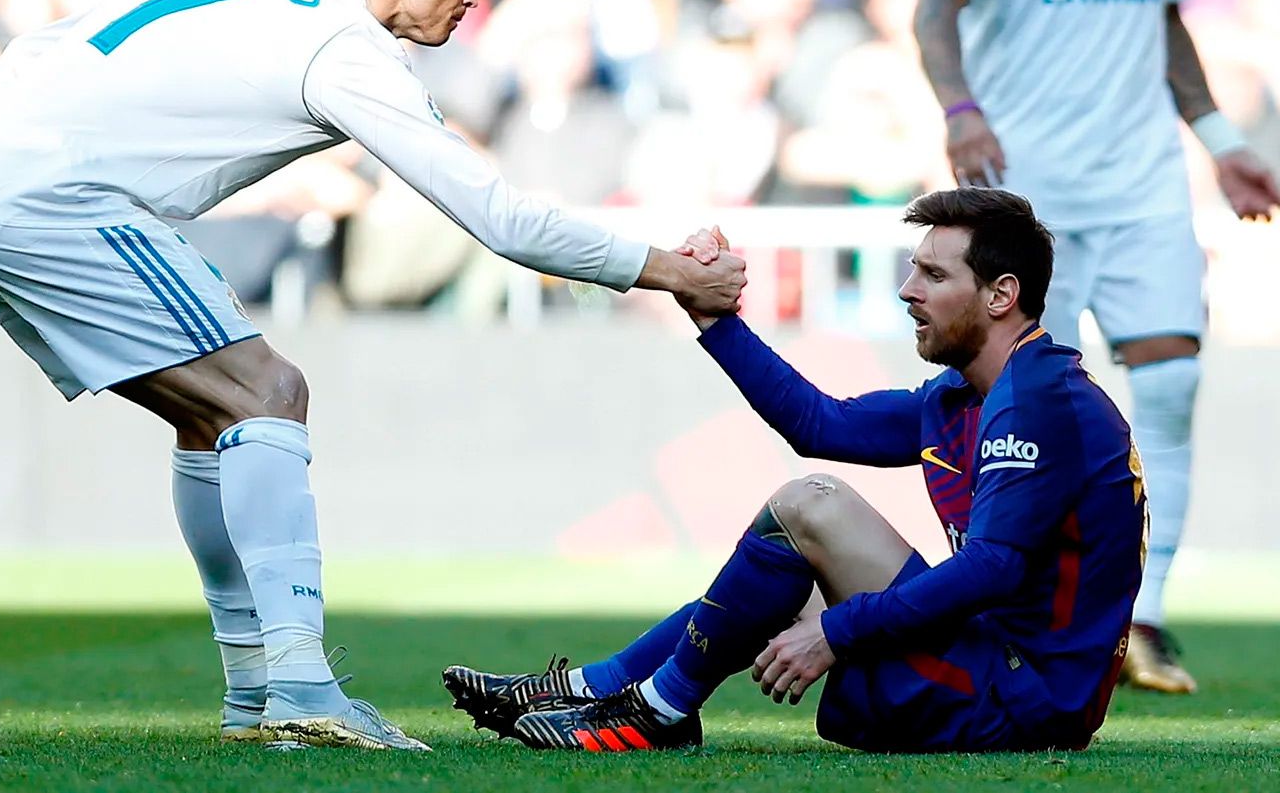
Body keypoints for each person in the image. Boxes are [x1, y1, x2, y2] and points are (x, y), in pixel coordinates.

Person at [0, 0, 745, 752]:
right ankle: (299, 684)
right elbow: (501, 219)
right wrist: (672, 272)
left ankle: (255, 690)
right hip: (58, 202)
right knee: (268, 392)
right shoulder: (345, 46)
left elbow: (37, 52)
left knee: (217, 419)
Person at [444, 188, 1146, 753]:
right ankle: (593, 691)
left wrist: (837, 630)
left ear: (1001, 295)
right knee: (786, 553)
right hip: (989, 665)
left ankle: (654, 711)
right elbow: (820, 423)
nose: (907, 289)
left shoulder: (1039, 403)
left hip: (1024, 695)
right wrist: (715, 318)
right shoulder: (969, 394)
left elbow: (992, 568)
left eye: (932, 273)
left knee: (813, 506)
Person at [911, 0, 1280, 694]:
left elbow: (1161, 17)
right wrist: (960, 110)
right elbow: (935, 5)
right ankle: (1002, 608)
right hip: (1025, 184)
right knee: (1021, 398)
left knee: (1173, 379)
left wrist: (1221, 142)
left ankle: (1140, 623)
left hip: (1143, 178)